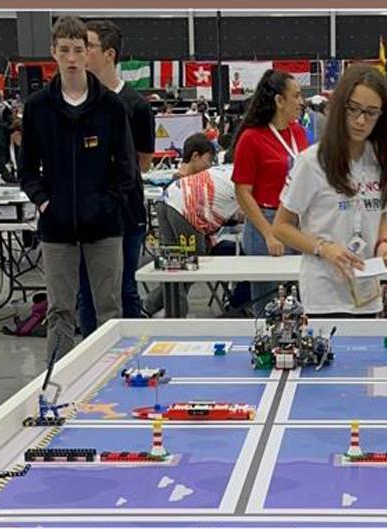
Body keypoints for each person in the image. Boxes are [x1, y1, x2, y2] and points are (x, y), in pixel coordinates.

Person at [20, 16, 137, 359]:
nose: (71, 58)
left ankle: (109, 376)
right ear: (53, 53)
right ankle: (57, 381)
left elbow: (127, 167)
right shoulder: (37, 107)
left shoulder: (111, 106)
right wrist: (44, 202)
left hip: (104, 227)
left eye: (77, 49)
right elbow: (26, 168)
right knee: (60, 311)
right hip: (56, 229)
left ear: (88, 53)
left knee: (109, 310)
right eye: (64, 50)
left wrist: (107, 203)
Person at [273, 64, 387, 317]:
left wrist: (383, 242)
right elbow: (281, 227)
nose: (361, 120)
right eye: (353, 109)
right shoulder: (312, 162)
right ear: (340, 107)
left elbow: (382, 214)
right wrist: (323, 248)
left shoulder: (380, 161)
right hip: (324, 295)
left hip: (367, 293)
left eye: (371, 113)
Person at [77, 19, 156, 336]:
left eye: (88, 47)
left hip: (125, 211)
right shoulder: (76, 101)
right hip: (83, 211)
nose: (80, 54)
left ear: (108, 54)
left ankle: (133, 350)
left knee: (124, 287)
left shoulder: (136, 105)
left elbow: (143, 163)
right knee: (86, 290)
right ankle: (88, 352)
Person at [231, 68, 307, 314]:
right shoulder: (251, 138)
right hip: (266, 220)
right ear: (279, 100)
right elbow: (243, 192)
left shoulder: (298, 133)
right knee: (268, 304)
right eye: (296, 95)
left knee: (298, 300)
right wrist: (268, 233)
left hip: (297, 220)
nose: (301, 101)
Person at [143, 133, 241, 317]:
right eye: (208, 159)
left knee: (175, 264)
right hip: (184, 209)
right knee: (189, 263)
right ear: (196, 156)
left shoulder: (222, 171)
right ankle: (166, 311)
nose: (209, 164)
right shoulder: (239, 175)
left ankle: (156, 309)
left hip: (168, 200)